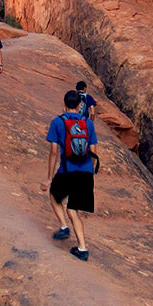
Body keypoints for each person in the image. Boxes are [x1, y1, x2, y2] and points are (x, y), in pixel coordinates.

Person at [41, 90, 98, 261]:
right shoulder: (88, 123)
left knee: (54, 195)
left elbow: (53, 151)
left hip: (67, 171)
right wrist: (90, 171)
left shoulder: (57, 122)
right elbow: (94, 151)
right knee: (74, 210)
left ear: (63, 103)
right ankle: (82, 248)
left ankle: (64, 227)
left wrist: (49, 177)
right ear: (80, 105)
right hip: (85, 171)